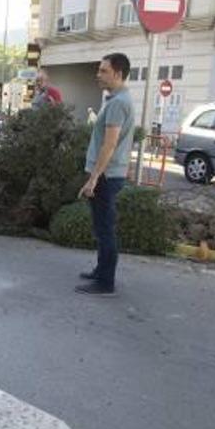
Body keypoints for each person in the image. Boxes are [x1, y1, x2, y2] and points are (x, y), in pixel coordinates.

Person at [76, 53, 135, 297]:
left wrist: (93, 178)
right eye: (99, 70)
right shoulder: (115, 100)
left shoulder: (119, 102)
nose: (98, 75)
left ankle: (105, 282)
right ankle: (101, 271)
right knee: (102, 228)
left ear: (118, 74)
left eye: (103, 71)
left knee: (105, 229)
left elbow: (109, 145)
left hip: (107, 176)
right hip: (107, 174)